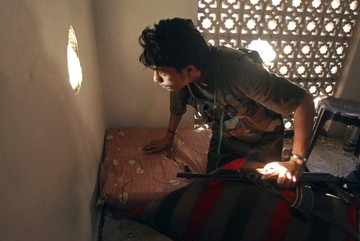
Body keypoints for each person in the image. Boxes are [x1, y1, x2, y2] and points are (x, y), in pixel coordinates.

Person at [139, 18, 314, 188]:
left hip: (262, 140)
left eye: (161, 72)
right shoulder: (181, 82)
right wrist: (169, 137)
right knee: (215, 187)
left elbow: (302, 101)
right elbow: (177, 108)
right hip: (225, 138)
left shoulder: (238, 69)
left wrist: (297, 160)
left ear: (189, 69)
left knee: (259, 191)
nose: (156, 79)